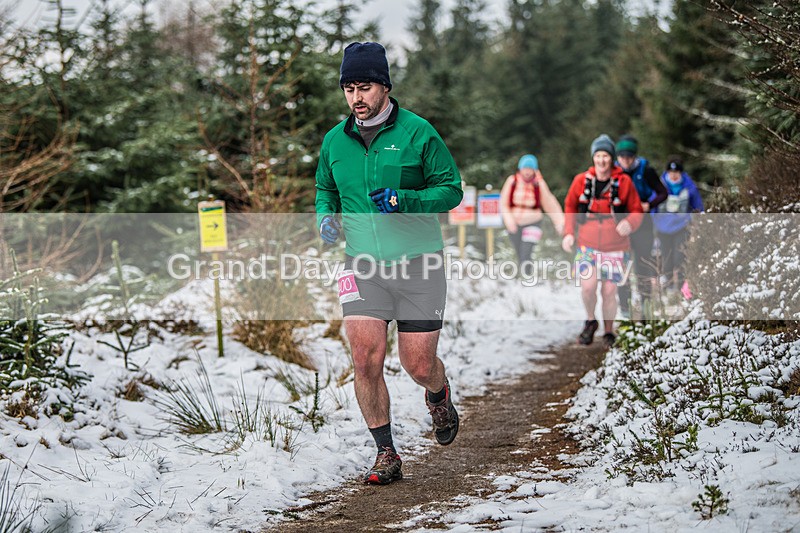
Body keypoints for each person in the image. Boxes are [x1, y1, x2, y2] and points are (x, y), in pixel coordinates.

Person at [315, 42, 463, 486]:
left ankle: (437, 393)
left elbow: (451, 190)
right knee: (364, 358)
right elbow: (327, 188)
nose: (356, 97)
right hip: (361, 265)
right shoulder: (334, 141)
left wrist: (408, 199)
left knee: (418, 364)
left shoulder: (419, 133)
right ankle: (386, 453)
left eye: (364, 87)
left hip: (420, 265)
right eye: (348, 89)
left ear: (384, 87)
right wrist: (325, 215)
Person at [562, 134, 643, 347]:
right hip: (587, 243)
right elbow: (570, 206)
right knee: (587, 287)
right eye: (598, 155)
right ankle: (590, 321)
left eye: (605, 156)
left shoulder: (623, 182)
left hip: (616, 245)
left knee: (609, 290)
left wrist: (630, 224)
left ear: (611, 158)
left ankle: (609, 330)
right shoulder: (581, 181)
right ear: (593, 157)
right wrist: (569, 232)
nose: (601, 160)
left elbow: (637, 210)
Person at [614, 135, 667, 318]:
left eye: (629, 157)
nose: (626, 161)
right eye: (622, 157)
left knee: (642, 266)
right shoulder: (614, 173)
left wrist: (649, 205)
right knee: (623, 269)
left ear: (635, 156)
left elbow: (663, 192)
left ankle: (646, 310)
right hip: (620, 225)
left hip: (643, 224)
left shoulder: (646, 171)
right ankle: (626, 310)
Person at [500, 154, 564, 271]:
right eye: (525, 168)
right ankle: (522, 277)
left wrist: (560, 222)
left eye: (530, 169)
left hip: (533, 221)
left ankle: (527, 276)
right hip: (514, 222)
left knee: (526, 251)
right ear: (520, 169)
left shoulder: (539, 184)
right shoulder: (512, 181)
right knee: (519, 252)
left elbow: (550, 205)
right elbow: (504, 204)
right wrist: (509, 221)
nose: (527, 172)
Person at [653, 155, 704, 293]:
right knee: (667, 257)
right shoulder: (660, 185)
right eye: (671, 172)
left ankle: (682, 286)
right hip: (663, 227)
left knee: (680, 257)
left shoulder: (689, 186)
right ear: (667, 172)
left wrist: (700, 220)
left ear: (681, 173)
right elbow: (653, 204)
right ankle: (669, 286)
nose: (674, 175)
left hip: (682, 226)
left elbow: (698, 206)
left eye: (676, 172)